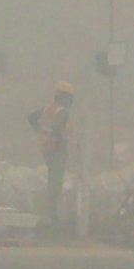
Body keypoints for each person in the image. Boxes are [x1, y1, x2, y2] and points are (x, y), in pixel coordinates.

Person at [34, 83, 77, 235]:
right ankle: (49, 216)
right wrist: (60, 139)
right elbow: (58, 129)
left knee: (53, 180)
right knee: (55, 184)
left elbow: (32, 118)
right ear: (65, 97)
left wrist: (42, 133)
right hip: (57, 150)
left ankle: (49, 214)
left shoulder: (48, 109)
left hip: (47, 149)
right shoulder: (62, 112)